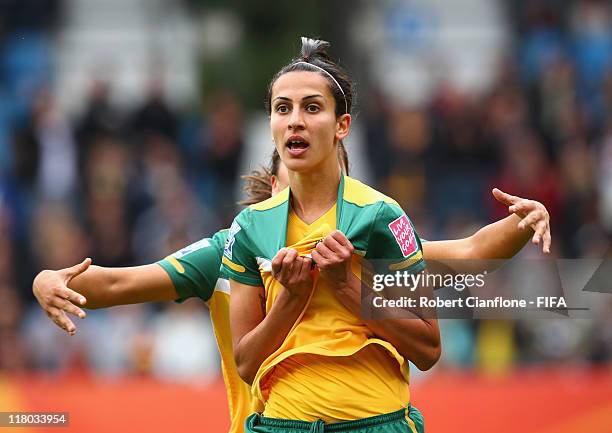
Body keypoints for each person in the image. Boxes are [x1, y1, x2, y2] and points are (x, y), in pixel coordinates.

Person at [219, 38, 547, 433]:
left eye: (312, 107)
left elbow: (428, 349)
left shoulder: (381, 216)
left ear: (342, 126)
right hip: (283, 425)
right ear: (271, 125)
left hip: (375, 423)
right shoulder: (250, 228)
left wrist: (348, 288)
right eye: (282, 109)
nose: (294, 121)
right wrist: (290, 299)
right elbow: (246, 364)